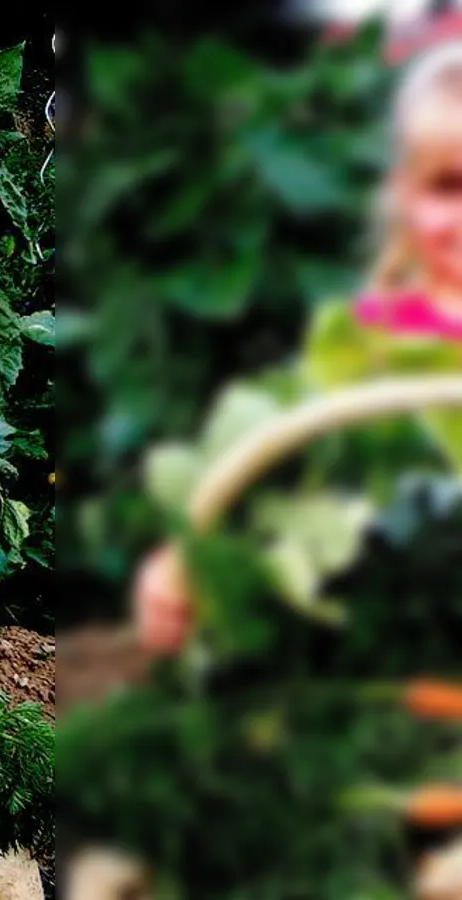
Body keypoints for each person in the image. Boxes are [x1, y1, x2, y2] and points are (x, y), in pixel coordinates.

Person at [133, 40, 462, 654]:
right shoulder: (360, 340)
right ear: (402, 195)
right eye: (447, 186)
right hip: (374, 647)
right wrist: (187, 567)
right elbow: (264, 472)